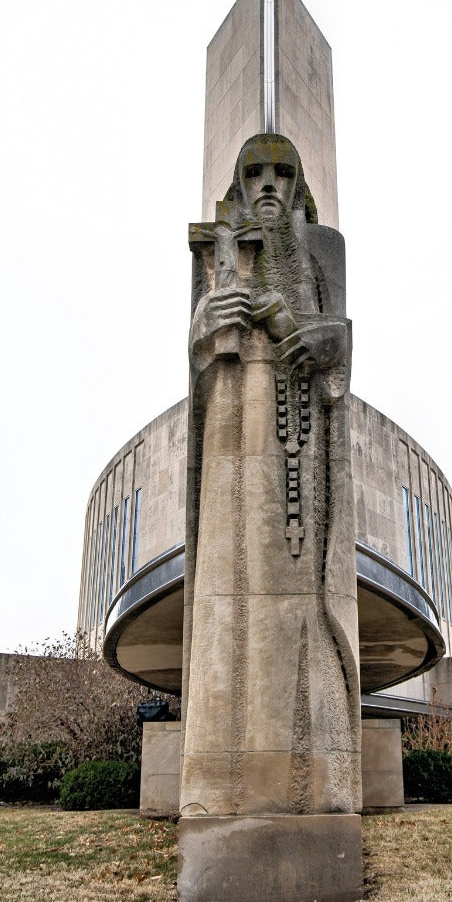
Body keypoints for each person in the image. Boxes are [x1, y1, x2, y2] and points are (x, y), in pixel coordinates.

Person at [180, 133, 361, 819]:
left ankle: (315, 788)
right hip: (232, 434)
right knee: (229, 592)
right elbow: (196, 352)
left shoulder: (323, 250)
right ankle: (223, 788)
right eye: (254, 172)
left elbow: (343, 339)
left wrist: (323, 338)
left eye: (281, 174)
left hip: (305, 449)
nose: (267, 184)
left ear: (297, 186)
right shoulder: (220, 246)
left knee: (302, 603)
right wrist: (206, 323)